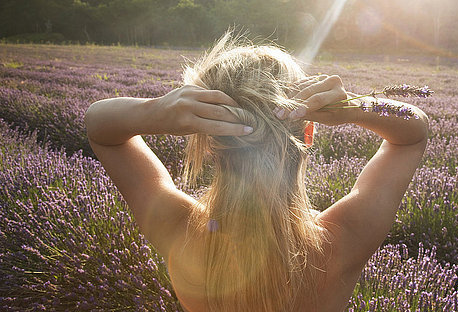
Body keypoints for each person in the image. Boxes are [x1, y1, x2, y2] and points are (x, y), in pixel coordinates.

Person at [84, 31, 429, 312]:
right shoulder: (343, 240)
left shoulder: (177, 229)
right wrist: (357, 106)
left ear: (205, 140)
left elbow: (100, 127)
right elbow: (412, 135)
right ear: (308, 132)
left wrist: (152, 112)